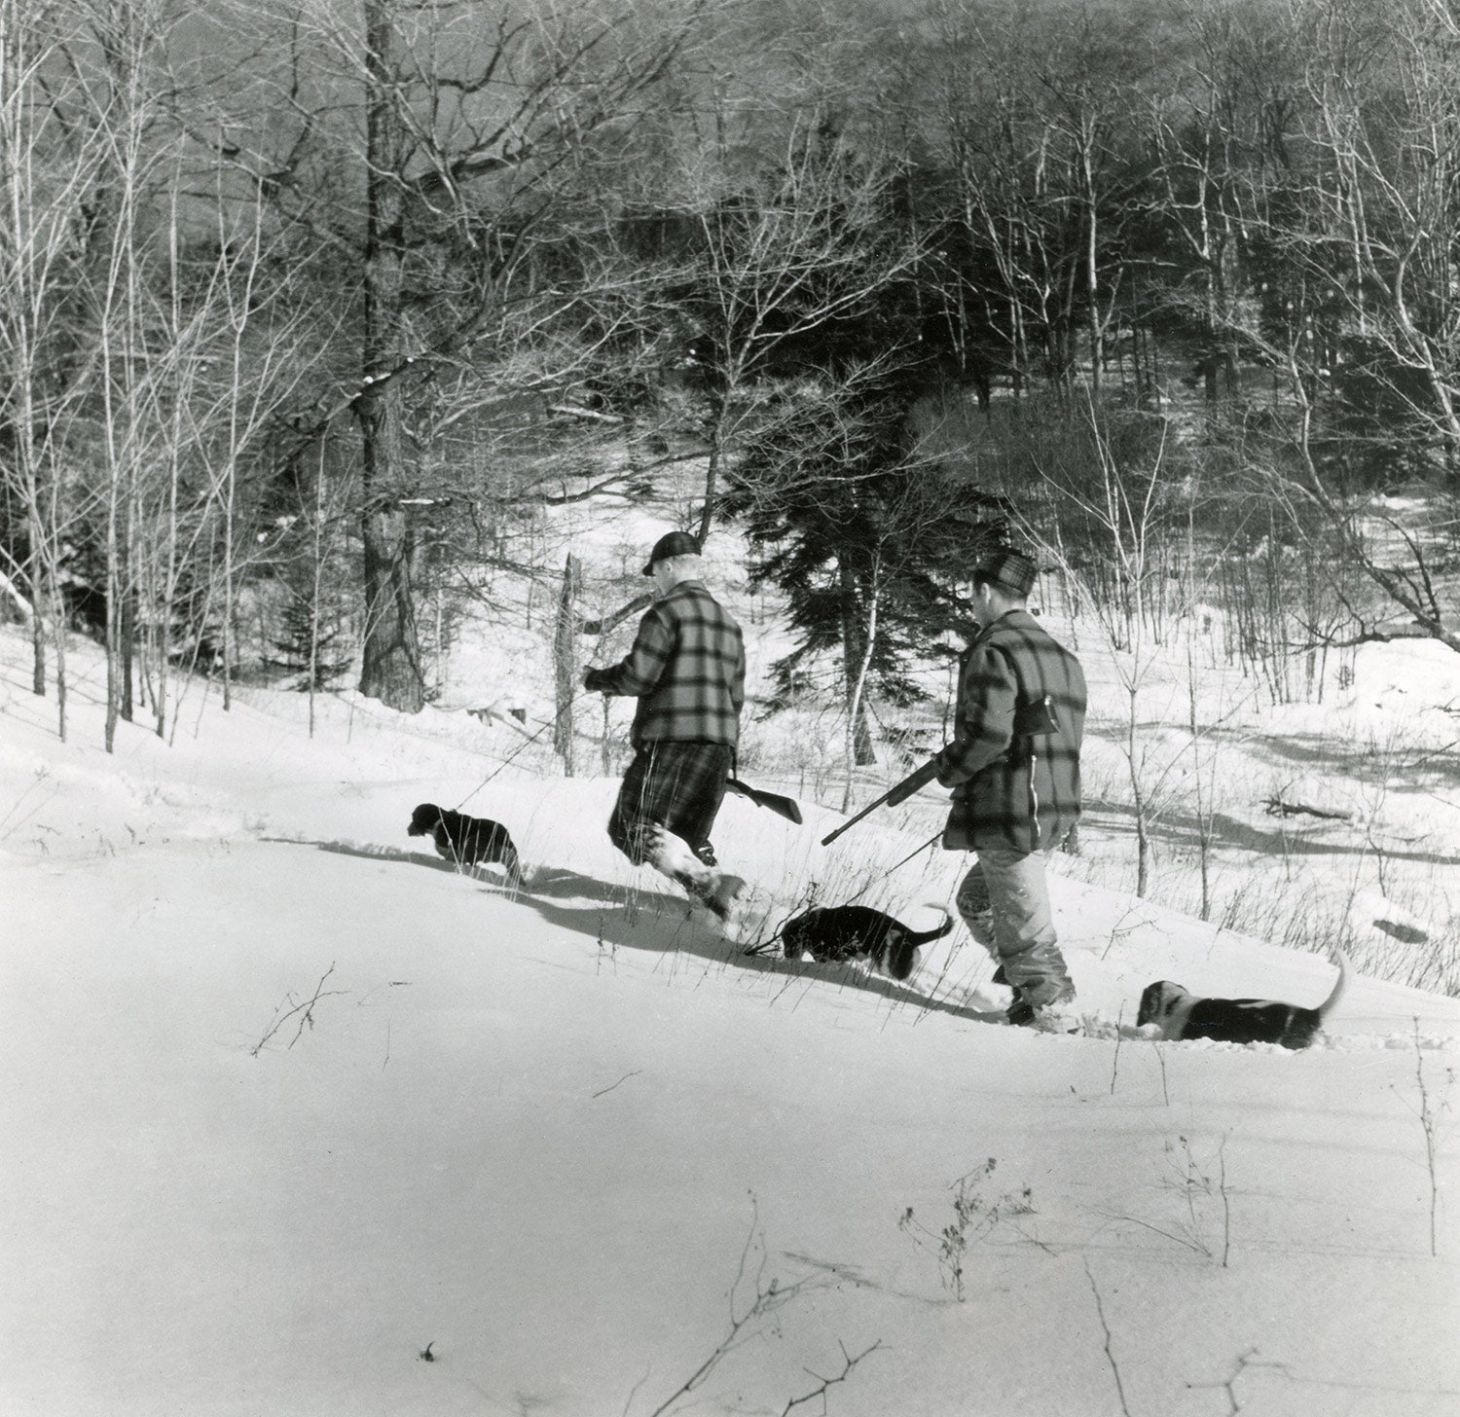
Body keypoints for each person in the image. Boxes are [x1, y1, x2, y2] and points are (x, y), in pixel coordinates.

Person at [932, 546, 1087, 1028]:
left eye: (971, 594)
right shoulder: (1062, 656)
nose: (971, 605)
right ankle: (1027, 988)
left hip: (1010, 809)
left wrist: (949, 768)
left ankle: (1055, 1013)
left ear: (983, 590)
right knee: (976, 902)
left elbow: (988, 735)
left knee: (1026, 931)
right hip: (1053, 807)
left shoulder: (993, 648)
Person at [584, 530, 746, 918]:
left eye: (655, 572)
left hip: (672, 739)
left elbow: (639, 677)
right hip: (719, 745)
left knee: (630, 825)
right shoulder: (728, 623)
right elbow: (735, 696)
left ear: (669, 566)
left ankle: (710, 885)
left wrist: (595, 679)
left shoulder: (665, 612)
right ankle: (731, 908)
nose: (655, 581)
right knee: (689, 837)